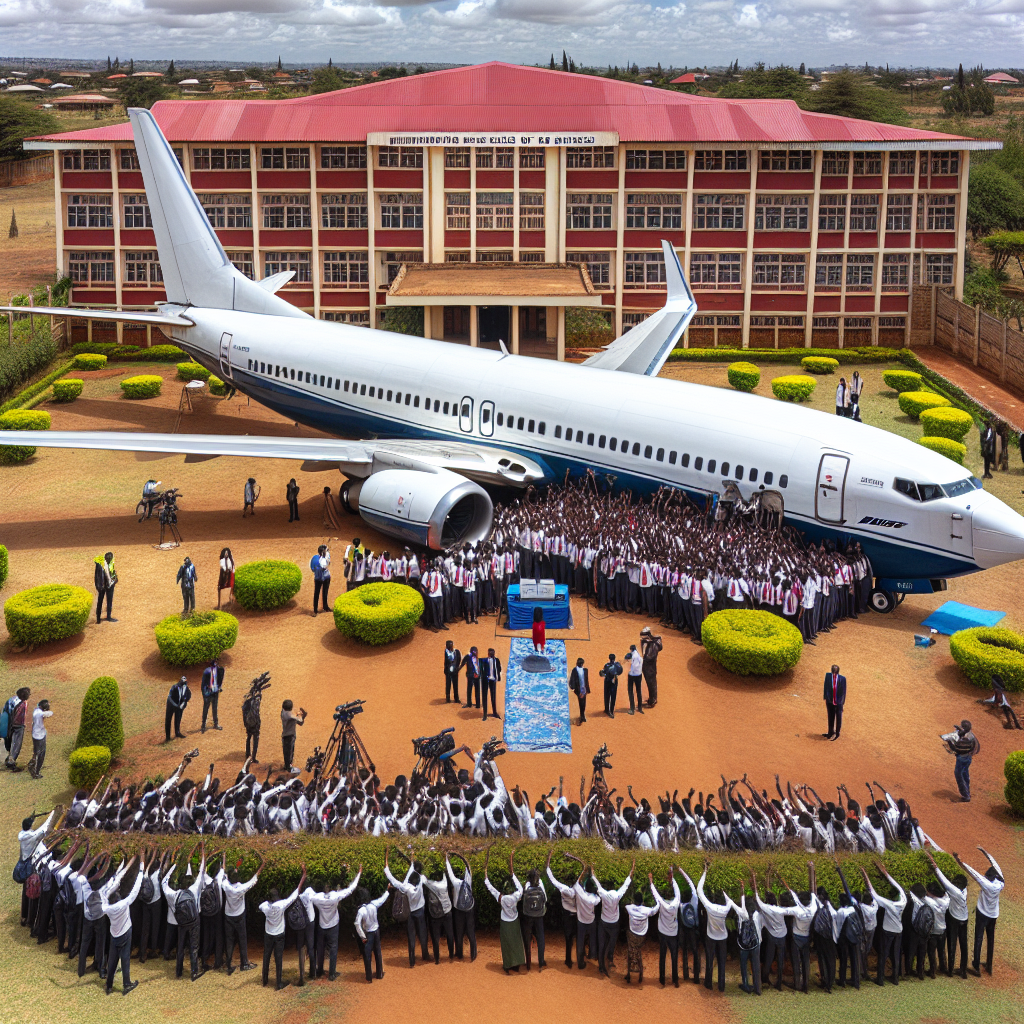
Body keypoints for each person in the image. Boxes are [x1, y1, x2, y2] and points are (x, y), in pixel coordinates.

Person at [102, 851, 148, 996]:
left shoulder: (106, 907)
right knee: (125, 957)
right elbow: (135, 889)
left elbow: (113, 883)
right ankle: (126, 983)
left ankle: (109, 985)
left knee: (113, 958)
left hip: (114, 933)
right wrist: (141, 866)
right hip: (125, 933)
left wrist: (125, 866)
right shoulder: (123, 904)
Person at [954, 847, 1004, 975]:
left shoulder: (987, 884)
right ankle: (989, 965)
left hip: (982, 913)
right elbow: (996, 865)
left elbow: (973, 873)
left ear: (989, 878)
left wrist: (960, 862)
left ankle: (976, 966)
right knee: (990, 938)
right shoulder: (1001, 882)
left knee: (978, 938)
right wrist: (985, 852)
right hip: (994, 914)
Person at [307, 864, 362, 979]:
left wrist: (305, 874)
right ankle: (332, 974)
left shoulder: (317, 898)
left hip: (322, 926)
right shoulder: (335, 896)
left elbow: (307, 894)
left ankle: (320, 970)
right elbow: (351, 889)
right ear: (331, 889)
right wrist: (359, 873)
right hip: (333, 925)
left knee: (320, 948)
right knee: (333, 949)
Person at [258, 865, 307, 990]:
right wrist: (303, 876)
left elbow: (259, 907)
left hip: (268, 934)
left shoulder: (265, 906)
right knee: (278, 958)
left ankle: (264, 980)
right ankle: (278, 983)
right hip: (279, 934)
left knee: (266, 956)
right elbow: (295, 894)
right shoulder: (281, 904)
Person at [924, 847, 969, 978]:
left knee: (952, 943)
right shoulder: (964, 890)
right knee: (964, 944)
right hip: (964, 919)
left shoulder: (953, 891)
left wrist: (934, 864)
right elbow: (963, 876)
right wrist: (958, 862)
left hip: (954, 919)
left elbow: (943, 879)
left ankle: (950, 970)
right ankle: (963, 971)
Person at [861, 862, 906, 986]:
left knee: (883, 954)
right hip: (899, 931)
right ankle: (895, 978)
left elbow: (874, 894)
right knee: (895, 955)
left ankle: (880, 979)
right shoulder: (903, 900)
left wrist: (866, 876)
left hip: (887, 931)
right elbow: (898, 886)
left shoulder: (889, 904)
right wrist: (886, 874)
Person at [384, 848, 429, 967]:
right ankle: (425, 955)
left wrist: (386, 867)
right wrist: (413, 860)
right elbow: (416, 873)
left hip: (410, 913)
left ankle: (411, 961)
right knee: (422, 933)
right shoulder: (421, 880)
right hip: (420, 911)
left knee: (411, 937)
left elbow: (392, 879)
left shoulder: (405, 887)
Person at [219, 852, 263, 975]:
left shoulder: (226, 885)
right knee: (242, 939)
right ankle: (244, 964)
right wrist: (262, 865)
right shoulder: (241, 888)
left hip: (228, 916)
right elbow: (254, 879)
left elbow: (223, 873)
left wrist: (224, 858)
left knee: (229, 940)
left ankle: (229, 964)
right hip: (239, 916)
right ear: (237, 879)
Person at [484, 849, 526, 975]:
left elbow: (491, 889)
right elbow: (520, 888)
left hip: (505, 922)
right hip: (514, 921)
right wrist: (513, 875)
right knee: (516, 942)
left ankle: (507, 966)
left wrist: (486, 878)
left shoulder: (501, 898)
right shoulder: (516, 896)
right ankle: (517, 965)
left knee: (506, 943)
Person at [595, 859, 633, 976]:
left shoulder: (604, 894)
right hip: (614, 923)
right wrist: (631, 870)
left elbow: (597, 884)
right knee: (612, 942)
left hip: (603, 922)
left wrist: (592, 873)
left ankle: (601, 965)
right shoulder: (617, 895)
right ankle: (609, 959)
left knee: (601, 943)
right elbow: (626, 885)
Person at [649, 870, 681, 987]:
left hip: (663, 933)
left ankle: (662, 980)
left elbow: (655, 894)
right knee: (674, 956)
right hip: (673, 933)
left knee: (662, 956)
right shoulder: (676, 903)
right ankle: (675, 980)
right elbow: (678, 892)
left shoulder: (662, 903)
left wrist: (651, 881)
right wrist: (673, 879)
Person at [545, 851, 577, 968]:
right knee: (575, 939)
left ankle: (568, 960)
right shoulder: (578, 890)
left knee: (568, 939)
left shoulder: (563, 888)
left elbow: (552, 879)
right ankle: (577, 960)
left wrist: (548, 864)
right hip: (577, 917)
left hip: (567, 916)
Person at [354, 885, 390, 982]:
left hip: (368, 934)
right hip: (376, 931)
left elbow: (357, 923)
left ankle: (369, 977)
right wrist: (387, 890)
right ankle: (379, 974)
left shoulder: (361, 910)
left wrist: (362, 936)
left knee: (367, 954)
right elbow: (382, 899)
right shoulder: (374, 904)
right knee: (378, 952)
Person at [447, 853, 477, 962]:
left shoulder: (455, 882)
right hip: (469, 909)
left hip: (458, 910)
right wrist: (463, 858)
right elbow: (469, 868)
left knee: (459, 932)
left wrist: (447, 860)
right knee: (470, 932)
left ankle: (459, 953)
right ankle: (473, 954)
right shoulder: (468, 881)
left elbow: (450, 873)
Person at [942, 720, 980, 802]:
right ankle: (967, 792)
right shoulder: (971, 735)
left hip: (962, 759)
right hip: (968, 758)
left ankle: (965, 795)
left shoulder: (966, 739)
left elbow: (958, 749)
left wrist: (949, 742)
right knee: (965, 774)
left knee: (959, 774)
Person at [520, 867, 547, 970]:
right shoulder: (540, 885)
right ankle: (541, 962)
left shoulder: (526, 885)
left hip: (528, 916)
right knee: (541, 937)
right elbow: (545, 899)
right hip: (539, 915)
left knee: (527, 938)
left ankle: (528, 963)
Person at [4, 687, 30, 771]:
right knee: (16, 744)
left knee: (9, 741)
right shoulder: (22, 704)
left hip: (8, 724)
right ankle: (11, 761)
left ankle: (9, 757)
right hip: (18, 726)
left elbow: (5, 710)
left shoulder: (12, 699)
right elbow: (19, 717)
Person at [26, 698, 52, 779]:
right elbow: (49, 713)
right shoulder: (40, 714)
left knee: (36, 752)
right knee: (41, 754)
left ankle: (32, 764)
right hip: (40, 736)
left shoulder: (36, 710)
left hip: (35, 734)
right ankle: (36, 772)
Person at [280, 700, 306, 774]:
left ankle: (287, 765)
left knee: (286, 751)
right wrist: (301, 715)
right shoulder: (290, 716)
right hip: (290, 735)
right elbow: (300, 721)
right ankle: (289, 768)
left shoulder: (283, 712)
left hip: (285, 734)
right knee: (290, 751)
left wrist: (297, 714)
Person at [640, 626, 663, 708]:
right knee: (650, 681)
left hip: (649, 665)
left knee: (651, 682)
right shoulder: (645, 642)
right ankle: (652, 698)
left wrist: (652, 642)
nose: (642, 637)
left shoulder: (654, 644)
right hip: (647, 664)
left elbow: (650, 656)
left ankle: (652, 700)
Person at [201, 658, 224, 733]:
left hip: (215, 692)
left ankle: (216, 724)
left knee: (215, 708)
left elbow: (220, 678)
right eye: (214, 663)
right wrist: (205, 694)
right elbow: (203, 684)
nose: (215, 665)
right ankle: (203, 725)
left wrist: (219, 687)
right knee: (206, 709)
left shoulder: (219, 670)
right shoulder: (207, 671)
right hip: (208, 692)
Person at [823, 664, 846, 740]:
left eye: (835, 673)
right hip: (830, 701)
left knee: (838, 717)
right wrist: (826, 697)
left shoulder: (842, 679)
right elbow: (825, 686)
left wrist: (841, 703)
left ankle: (837, 733)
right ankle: (830, 732)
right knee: (830, 716)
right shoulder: (828, 676)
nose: (834, 674)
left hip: (838, 702)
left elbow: (843, 692)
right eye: (833, 672)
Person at [94, 551, 117, 623]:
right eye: (108, 559)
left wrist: (115, 580)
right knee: (100, 601)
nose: (110, 560)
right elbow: (97, 577)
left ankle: (109, 617)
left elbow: (113, 572)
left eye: (111, 558)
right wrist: (98, 587)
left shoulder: (111, 563)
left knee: (109, 601)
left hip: (110, 585)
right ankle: (98, 618)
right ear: (105, 558)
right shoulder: (100, 565)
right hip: (102, 586)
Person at [165, 677, 191, 742]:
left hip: (180, 706)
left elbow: (189, 695)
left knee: (178, 718)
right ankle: (168, 737)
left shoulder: (186, 688)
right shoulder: (175, 687)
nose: (185, 684)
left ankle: (177, 733)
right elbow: (170, 697)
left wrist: (184, 702)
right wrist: (175, 705)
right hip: (171, 705)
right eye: (183, 682)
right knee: (168, 720)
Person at [310, 545, 331, 617]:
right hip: (324, 577)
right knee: (321, 593)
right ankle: (321, 608)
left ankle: (319, 609)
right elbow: (325, 565)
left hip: (319, 577)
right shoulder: (323, 559)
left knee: (319, 593)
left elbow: (312, 568)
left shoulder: (314, 558)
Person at [482, 647, 502, 722]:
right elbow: (481, 669)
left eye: (493, 653)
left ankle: (494, 712)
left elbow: (499, 668)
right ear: (488, 653)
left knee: (493, 696)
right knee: (485, 696)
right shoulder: (484, 660)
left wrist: (498, 676)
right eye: (490, 653)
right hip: (485, 680)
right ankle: (485, 713)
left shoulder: (496, 660)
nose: (492, 654)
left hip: (493, 680)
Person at [600, 653, 622, 719]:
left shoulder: (607, 665)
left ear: (609, 658)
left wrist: (602, 672)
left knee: (607, 695)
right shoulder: (617, 665)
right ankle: (611, 711)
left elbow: (603, 673)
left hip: (607, 681)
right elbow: (620, 671)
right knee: (613, 696)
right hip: (614, 681)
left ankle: (607, 709)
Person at [625, 644, 645, 715]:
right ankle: (639, 707)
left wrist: (629, 662)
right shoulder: (638, 655)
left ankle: (632, 708)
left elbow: (634, 666)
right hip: (639, 674)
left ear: (631, 649)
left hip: (633, 675)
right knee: (639, 691)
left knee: (630, 691)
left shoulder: (633, 656)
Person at [568, 657, 589, 724]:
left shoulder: (585, 670)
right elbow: (572, 679)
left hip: (584, 689)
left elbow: (586, 680)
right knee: (581, 703)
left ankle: (582, 716)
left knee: (584, 703)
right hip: (579, 690)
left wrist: (587, 689)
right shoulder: (575, 670)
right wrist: (573, 687)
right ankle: (582, 716)